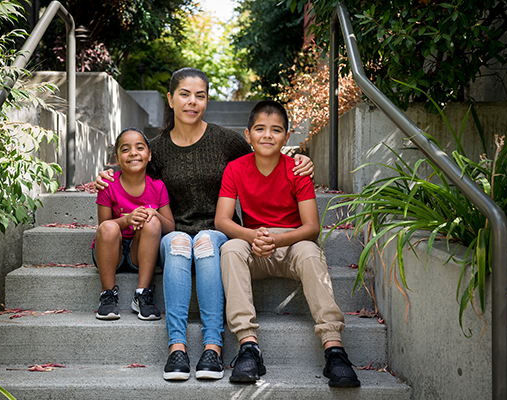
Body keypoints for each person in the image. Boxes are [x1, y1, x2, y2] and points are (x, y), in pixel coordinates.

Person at [95, 68, 314, 381]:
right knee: (179, 242)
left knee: (207, 241)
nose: (192, 102)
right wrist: (104, 177)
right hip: (174, 232)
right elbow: (130, 172)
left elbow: (267, 152)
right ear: (170, 99)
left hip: (219, 231)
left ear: (207, 100)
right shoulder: (155, 149)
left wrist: (300, 159)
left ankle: (213, 346)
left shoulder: (226, 140)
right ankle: (177, 349)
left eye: (200, 95)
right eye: (184, 94)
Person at [215, 100, 360, 388]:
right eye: (260, 129)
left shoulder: (297, 169)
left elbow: (311, 227)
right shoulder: (235, 169)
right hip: (254, 243)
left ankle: (334, 349)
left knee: (309, 252)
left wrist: (277, 238)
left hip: (291, 243)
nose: (267, 135)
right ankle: (248, 347)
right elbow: (222, 221)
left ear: (286, 136)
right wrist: (252, 236)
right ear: (247, 135)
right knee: (230, 249)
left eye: (276, 130)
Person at [93, 127, 174, 321]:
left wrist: (154, 214)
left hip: (142, 253)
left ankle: (142, 294)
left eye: (139, 148)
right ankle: (107, 294)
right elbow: (104, 228)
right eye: (125, 149)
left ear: (149, 155)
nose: (133, 153)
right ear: (117, 158)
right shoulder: (108, 185)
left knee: (153, 222)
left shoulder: (157, 186)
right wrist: (127, 219)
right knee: (109, 227)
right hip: (113, 253)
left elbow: (170, 227)